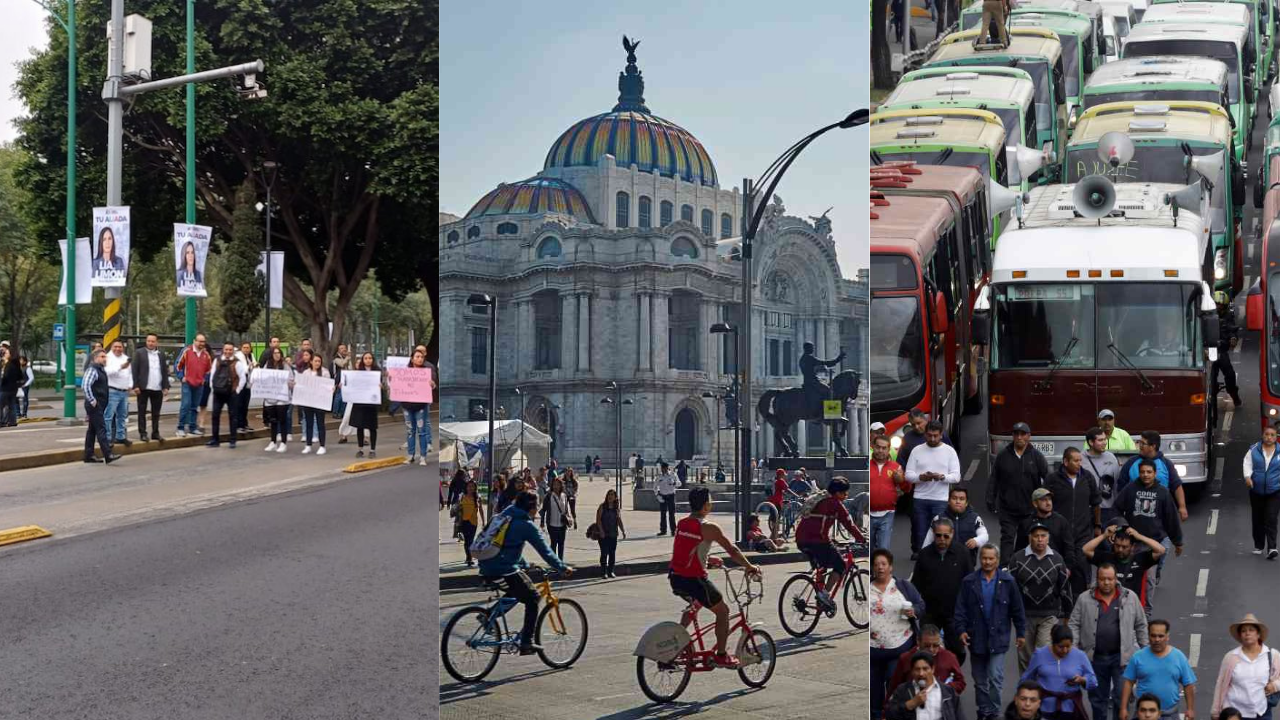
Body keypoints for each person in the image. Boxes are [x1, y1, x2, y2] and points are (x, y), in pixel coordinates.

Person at [667, 486, 762, 669]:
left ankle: (676, 643)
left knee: (696, 603)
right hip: (694, 579)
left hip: (675, 577)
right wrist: (749, 567)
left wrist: (707, 559)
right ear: (705, 506)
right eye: (709, 501)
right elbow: (733, 551)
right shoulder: (709, 527)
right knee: (723, 611)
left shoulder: (682, 523)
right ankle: (721, 655)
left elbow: (686, 551)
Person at [478, 490, 574, 655]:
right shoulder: (525, 525)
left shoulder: (502, 517)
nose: (537, 509)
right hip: (503, 569)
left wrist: (523, 563)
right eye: (537, 506)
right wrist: (562, 567)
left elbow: (507, 546)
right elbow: (546, 551)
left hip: (486, 566)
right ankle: (526, 642)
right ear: (531, 507)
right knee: (533, 597)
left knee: (517, 590)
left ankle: (489, 616)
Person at [955, 544, 1028, 720]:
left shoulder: (1008, 582)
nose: (987, 562)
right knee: (980, 682)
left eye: (991, 558)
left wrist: (1021, 633)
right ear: (980, 559)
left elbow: (1017, 610)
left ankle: (994, 712)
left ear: (997, 559)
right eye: (984, 558)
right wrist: (961, 630)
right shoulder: (969, 582)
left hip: (999, 638)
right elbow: (960, 609)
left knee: (995, 678)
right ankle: (984, 711)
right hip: (976, 638)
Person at [1069, 563, 1150, 720]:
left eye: (1110, 579)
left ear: (1115, 579)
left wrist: (1147, 651)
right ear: (1097, 579)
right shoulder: (1084, 599)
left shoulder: (1130, 597)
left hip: (1122, 660)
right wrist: (1074, 653)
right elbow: (1074, 624)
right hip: (1094, 659)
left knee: (1122, 699)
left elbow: (1141, 624)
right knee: (1098, 701)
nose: (1106, 583)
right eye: (1102, 579)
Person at [871, 548, 927, 720]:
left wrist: (914, 611)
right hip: (873, 652)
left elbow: (920, 605)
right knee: (874, 693)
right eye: (876, 565)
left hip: (899, 649)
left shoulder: (903, 586)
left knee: (894, 690)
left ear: (890, 567)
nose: (880, 568)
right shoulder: (868, 589)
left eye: (883, 564)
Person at [1011, 521, 1073, 673]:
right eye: (1036, 536)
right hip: (1024, 615)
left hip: (1049, 615)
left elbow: (1065, 587)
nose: (1040, 539)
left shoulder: (1057, 559)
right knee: (1025, 657)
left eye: (1043, 536)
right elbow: (1010, 589)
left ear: (1048, 538)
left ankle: (1041, 690)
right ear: (1029, 538)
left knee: (1043, 655)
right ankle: (1026, 691)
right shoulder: (1018, 559)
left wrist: (1067, 614)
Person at [795, 476, 862, 613]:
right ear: (837, 493)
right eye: (845, 493)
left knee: (823, 566)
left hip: (801, 540)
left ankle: (819, 594)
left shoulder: (820, 498)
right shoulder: (835, 503)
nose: (846, 495)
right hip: (817, 541)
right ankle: (824, 595)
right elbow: (849, 524)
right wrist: (862, 539)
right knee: (841, 565)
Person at [1114, 459, 1184, 590]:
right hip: (1134, 544)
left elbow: (1171, 519)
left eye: (1149, 472)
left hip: (1156, 542)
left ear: (1155, 473)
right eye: (1142, 472)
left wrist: (1178, 542)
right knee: (1133, 578)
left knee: (1150, 582)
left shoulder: (1163, 492)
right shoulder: (1130, 488)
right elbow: (1116, 508)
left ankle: (1147, 610)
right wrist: (1123, 526)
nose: (1145, 475)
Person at [912, 517, 972, 667]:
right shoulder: (924, 555)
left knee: (958, 651)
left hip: (954, 613)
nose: (942, 539)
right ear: (933, 534)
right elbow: (915, 585)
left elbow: (970, 583)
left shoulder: (962, 553)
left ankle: (951, 681)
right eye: (938, 535)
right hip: (930, 612)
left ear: (952, 534)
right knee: (926, 650)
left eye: (946, 536)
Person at [989, 422, 1051, 564]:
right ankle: (1005, 568)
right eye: (1016, 434)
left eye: (1023, 434)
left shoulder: (1036, 457)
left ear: (1029, 436)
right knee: (1007, 539)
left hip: (1029, 510)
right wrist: (991, 500)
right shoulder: (1003, 456)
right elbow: (994, 479)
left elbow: (1047, 479)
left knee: (1024, 541)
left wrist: (1045, 502)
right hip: (1007, 509)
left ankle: (1020, 568)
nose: (1019, 437)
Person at [1044, 446, 1102, 596]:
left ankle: (1080, 600)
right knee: (1059, 565)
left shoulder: (1087, 477)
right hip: (1059, 533)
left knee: (1081, 566)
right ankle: (1059, 599)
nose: (1079, 464)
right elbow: (1044, 503)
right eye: (1075, 461)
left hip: (1083, 532)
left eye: (1080, 460)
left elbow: (1096, 503)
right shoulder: (1052, 479)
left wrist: (1097, 525)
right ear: (1065, 461)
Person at [906, 420, 963, 558]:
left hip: (940, 499)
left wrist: (942, 477)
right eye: (930, 435)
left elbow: (956, 477)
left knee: (940, 531)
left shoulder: (949, 452)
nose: (932, 439)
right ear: (925, 435)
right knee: (919, 531)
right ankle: (921, 556)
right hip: (920, 497)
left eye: (935, 436)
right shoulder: (917, 450)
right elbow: (908, 475)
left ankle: (939, 556)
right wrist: (921, 478)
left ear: (941, 435)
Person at [1083, 518, 1164, 615]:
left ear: (1132, 547)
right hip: (1107, 611)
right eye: (1117, 546)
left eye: (1125, 547)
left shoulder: (1140, 559)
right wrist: (1104, 535)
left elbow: (1161, 550)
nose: (1120, 549)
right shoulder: (1106, 558)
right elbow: (1086, 549)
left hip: (1131, 611)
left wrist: (1139, 536)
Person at [1120, 619, 1197, 720]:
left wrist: (1190, 709)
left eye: (1161, 636)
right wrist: (1123, 708)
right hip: (1144, 714)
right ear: (1149, 636)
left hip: (1170, 714)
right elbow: (1129, 683)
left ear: (1167, 636)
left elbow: (1188, 685)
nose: (1157, 639)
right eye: (1153, 635)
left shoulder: (1178, 657)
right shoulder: (1138, 657)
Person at [1211, 614, 1280, 720]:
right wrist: (1215, 712)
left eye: (1251, 630)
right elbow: (1220, 684)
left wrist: (1275, 685)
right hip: (1234, 714)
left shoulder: (1272, 655)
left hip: (1262, 712)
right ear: (1240, 635)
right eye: (1243, 631)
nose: (1247, 633)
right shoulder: (1231, 657)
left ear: (1258, 634)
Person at [1021, 624, 1097, 720]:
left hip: (1070, 710)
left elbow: (1094, 681)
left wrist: (1083, 680)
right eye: (1060, 647)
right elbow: (1026, 679)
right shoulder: (1039, 654)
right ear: (1053, 643)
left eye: (1068, 646)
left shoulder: (1080, 655)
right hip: (1043, 709)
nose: (1065, 650)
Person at [1118, 431, 1189, 522]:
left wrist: (1182, 507)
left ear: (1153, 446)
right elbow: (1121, 487)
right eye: (1139, 442)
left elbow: (1177, 486)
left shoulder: (1166, 464)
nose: (1140, 445)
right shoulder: (1131, 463)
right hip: (1135, 515)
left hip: (1161, 514)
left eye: (1143, 443)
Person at [887, 624, 968, 699]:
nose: (931, 649)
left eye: (936, 645)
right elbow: (894, 688)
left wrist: (943, 688)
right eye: (927, 646)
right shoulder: (905, 659)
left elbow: (960, 682)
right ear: (918, 641)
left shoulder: (949, 657)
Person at [923, 484, 990, 570]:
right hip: (942, 565)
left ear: (966, 503)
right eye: (954, 498)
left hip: (967, 565)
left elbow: (985, 535)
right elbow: (927, 542)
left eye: (961, 499)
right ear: (948, 501)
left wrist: (976, 541)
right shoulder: (938, 518)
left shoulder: (975, 518)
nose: (958, 501)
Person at [885, 651, 966, 720]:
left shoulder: (948, 692)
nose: (921, 674)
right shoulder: (902, 690)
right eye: (917, 669)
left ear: (933, 669)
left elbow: (960, 716)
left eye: (925, 669)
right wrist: (910, 704)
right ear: (912, 671)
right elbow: (889, 714)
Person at [1244, 423, 1280, 559]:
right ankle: (1259, 545)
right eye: (1267, 434)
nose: (1269, 437)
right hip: (1256, 490)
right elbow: (1247, 463)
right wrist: (1248, 477)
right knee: (1258, 518)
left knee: (1271, 518)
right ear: (1262, 435)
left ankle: (1272, 548)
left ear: (1276, 437)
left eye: (1272, 435)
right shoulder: (1254, 450)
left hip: (1275, 491)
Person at [1015, 489, 1077, 566]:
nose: (1048, 503)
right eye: (1044, 500)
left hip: (1055, 567)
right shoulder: (1026, 523)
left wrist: (1068, 568)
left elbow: (1069, 547)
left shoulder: (1061, 521)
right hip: (1031, 568)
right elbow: (1019, 550)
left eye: (1050, 499)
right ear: (1035, 503)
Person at [872, 434, 910, 551]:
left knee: (883, 550)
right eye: (878, 447)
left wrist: (901, 481)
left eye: (884, 448)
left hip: (887, 514)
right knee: (870, 551)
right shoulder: (867, 465)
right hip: (868, 514)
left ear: (889, 450)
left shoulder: (896, 467)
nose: (880, 451)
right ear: (873, 447)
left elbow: (907, 489)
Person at [81, 349, 119, 464]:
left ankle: (89, 455)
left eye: (105, 357)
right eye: (102, 357)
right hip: (95, 405)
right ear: (95, 358)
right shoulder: (93, 370)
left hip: (99, 404)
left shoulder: (100, 370)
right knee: (101, 428)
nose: (105, 359)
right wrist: (92, 400)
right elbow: (85, 385)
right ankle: (108, 454)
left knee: (92, 430)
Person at [131, 334, 169, 442]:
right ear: (146, 342)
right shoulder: (139, 353)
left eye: (153, 341)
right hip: (143, 387)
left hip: (157, 387)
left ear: (157, 342)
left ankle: (155, 433)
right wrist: (136, 385)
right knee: (142, 411)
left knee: (156, 412)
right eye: (148, 341)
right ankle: (143, 433)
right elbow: (134, 370)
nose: (150, 343)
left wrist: (165, 386)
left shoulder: (161, 354)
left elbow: (164, 371)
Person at [204, 342, 242, 448]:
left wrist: (237, 390)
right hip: (218, 392)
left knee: (233, 416)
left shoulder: (237, 363)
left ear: (233, 351)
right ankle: (215, 439)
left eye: (230, 350)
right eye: (226, 349)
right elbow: (212, 375)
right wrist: (213, 388)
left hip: (231, 393)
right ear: (223, 350)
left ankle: (233, 440)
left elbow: (242, 378)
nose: (228, 352)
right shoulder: (217, 361)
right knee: (215, 416)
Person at [174, 334, 211, 437]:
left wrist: (205, 379)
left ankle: (192, 428)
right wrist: (181, 377)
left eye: (203, 342)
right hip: (187, 383)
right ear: (194, 341)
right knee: (185, 405)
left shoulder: (206, 355)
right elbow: (178, 365)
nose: (201, 344)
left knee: (195, 407)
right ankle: (180, 428)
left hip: (199, 384)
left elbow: (209, 370)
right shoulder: (187, 351)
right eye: (199, 341)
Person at [401, 348, 434, 465]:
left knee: (422, 431)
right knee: (410, 431)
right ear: (412, 358)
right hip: (407, 405)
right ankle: (410, 455)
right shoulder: (404, 372)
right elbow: (397, 384)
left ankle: (423, 456)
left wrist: (432, 384)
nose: (419, 359)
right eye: (417, 357)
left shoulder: (426, 372)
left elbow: (433, 386)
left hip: (421, 405)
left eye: (421, 357)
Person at [1086, 426, 1124, 526]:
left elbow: (1117, 484)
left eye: (1105, 439)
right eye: (1100, 440)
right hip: (1087, 509)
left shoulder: (1111, 458)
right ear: (1091, 442)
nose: (1104, 442)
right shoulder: (1081, 459)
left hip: (1108, 509)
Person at [259, 346, 294, 453]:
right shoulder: (267, 365)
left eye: (279, 353)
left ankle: (283, 442)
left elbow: (291, 379)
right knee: (273, 420)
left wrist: (290, 383)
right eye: (275, 353)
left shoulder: (285, 366)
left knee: (282, 419)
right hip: (270, 397)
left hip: (282, 398)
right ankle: (273, 441)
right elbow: (262, 378)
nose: (277, 355)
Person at [1212, 292, 1243, 407]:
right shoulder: (1206, 315)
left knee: (1230, 374)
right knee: (1209, 375)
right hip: (1207, 351)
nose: (1219, 307)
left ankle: (1234, 395)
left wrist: (1233, 338)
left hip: (1221, 351)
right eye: (1216, 304)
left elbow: (1232, 329)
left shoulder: (1228, 316)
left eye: (1221, 305)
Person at [349, 352, 382, 458]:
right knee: (360, 426)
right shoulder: (358, 373)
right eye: (366, 358)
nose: (368, 360)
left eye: (370, 358)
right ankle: (360, 449)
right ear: (363, 360)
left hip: (371, 403)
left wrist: (381, 386)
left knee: (372, 427)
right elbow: (352, 385)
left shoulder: (377, 372)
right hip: (360, 402)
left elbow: (382, 385)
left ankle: (372, 449)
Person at [298, 353, 331, 455]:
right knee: (309, 423)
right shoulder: (306, 373)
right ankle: (308, 445)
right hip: (308, 402)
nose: (317, 363)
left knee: (320, 423)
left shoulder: (325, 372)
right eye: (315, 361)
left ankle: (322, 445)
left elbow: (328, 385)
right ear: (311, 361)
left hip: (320, 402)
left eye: (319, 361)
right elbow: (302, 386)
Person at [103, 340, 133, 446]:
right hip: (112, 390)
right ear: (111, 347)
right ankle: (107, 437)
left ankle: (120, 436)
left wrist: (130, 385)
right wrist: (120, 367)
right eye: (115, 347)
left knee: (122, 415)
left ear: (123, 348)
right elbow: (106, 372)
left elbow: (130, 373)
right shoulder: (107, 357)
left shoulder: (125, 358)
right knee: (108, 415)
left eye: (119, 347)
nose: (117, 349)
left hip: (124, 391)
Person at [540, 476, 573, 559]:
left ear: (561, 485)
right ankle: (554, 562)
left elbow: (566, 509)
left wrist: (569, 518)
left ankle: (560, 562)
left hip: (562, 524)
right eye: (554, 484)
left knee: (561, 544)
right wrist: (542, 522)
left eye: (558, 484)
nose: (556, 486)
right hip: (552, 524)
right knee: (554, 544)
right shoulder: (549, 496)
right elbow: (543, 510)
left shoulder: (564, 496)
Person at [595, 488, 626, 578]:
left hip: (613, 534)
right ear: (607, 496)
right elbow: (598, 520)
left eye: (612, 495)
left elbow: (619, 520)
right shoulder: (602, 507)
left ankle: (610, 571)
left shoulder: (616, 508)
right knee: (604, 553)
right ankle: (603, 572)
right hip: (603, 534)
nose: (610, 497)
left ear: (615, 497)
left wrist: (623, 530)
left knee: (612, 553)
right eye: (609, 495)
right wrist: (601, 531)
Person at [456, 479, 484, 567]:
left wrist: (483, 521)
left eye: (473, 486)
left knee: (470, 540)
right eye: (469, 486)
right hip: (463, 521)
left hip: (473, 522)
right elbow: (458, 508)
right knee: (466, 541)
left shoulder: (478, 497)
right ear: (466, 487)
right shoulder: (462, 496)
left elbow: (481, 510)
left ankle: (469, 558)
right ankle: (468, 557)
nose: (471, 488)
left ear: (475, 488)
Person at [233, 341, 256, 434]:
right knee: (239, 404)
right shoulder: (238, 356)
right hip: (240, 383)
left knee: (245, 405)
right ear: (241, 348)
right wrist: (250, 366)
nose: (246, 349)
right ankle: (238, 424)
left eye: (248, 348)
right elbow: (242, 369)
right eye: (244, 347)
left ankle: (244, 424)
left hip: (248, 384)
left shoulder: (250, 356)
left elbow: (254, 366)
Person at [0, 347, 22, 427]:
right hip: (13, 388)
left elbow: (6, 377)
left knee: (1, 405)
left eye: (6, 353)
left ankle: (2, 421)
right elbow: (20, 377)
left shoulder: (9, 365)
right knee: (11, 405)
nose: (4, 355)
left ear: (10, 355)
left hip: (6, 388)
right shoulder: (16, 365)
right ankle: (12, 421)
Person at [656, 462, 678, 535]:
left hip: (671, 496)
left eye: (664, 469)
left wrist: (674, 483)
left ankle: (673, 531)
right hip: (663, 496)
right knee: (663, 514)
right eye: (662, 469)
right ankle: (663, 530)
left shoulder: (673, 475)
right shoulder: (659, 476)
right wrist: (657, 495)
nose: (663, 470)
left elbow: (679, 483)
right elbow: (655, 487)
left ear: (667, 468)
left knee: (672, 514)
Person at [331, 343, 350, 419]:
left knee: (345, 397)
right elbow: (342, 364)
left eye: (344, 348)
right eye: (342, 348)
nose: (344, 350)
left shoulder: (347, 358)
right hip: (339, 380)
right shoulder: (336, 358)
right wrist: (347, 358)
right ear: (338, 350)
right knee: (338, 397)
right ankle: (335, 412)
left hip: (346, 379)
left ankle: (342, 412)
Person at [18, 356, 33, 420]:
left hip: (24, 386)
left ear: (25, 361)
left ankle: (24, 413)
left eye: (21, 360)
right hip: (18, 385)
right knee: (16, 399)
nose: (20, 361)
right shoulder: (18, 368)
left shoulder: (27, 368)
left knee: (25, 399)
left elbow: (31, 378)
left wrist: (26, 384)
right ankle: (18, 413)